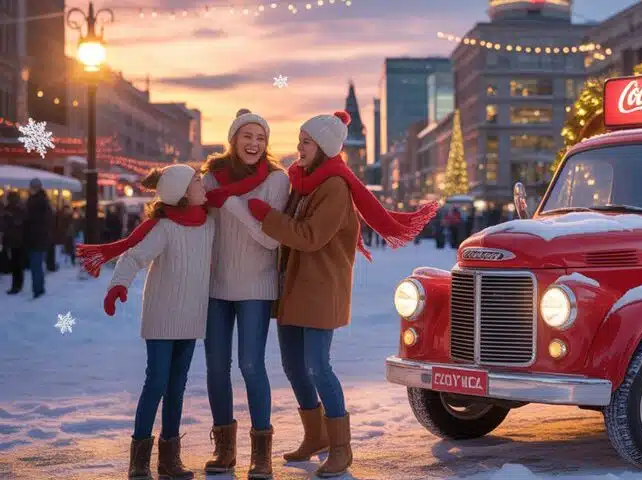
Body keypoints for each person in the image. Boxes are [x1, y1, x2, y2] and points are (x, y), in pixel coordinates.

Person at [241, 111, 438, 477]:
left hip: (320, 287)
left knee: (318, 367)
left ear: (324, 147)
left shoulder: (333, 186)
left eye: (306, 142)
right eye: (299, 140)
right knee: (293, 366)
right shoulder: (303, 182)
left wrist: (267, 216)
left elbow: (309, 236)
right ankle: (315, 436)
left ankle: (341, 448)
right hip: (292, 287)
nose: (299, 148)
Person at [77, 165, 213, 480]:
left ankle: (169, 459)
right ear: (182, 193)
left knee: (177, 387)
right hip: (163, 317)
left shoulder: (208, 225)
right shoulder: (164, 228)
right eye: (197, 181)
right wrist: (118, 285)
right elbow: (133, 256)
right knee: (156, 383)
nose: (203, 184)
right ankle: (138, 461)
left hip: (191, 318)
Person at [199, 109, 288, 479]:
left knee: (250, 365)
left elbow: (270, 239)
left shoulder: (277, 180)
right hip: (215, 287)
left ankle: (261, 454)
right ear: (233, 139)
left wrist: (232, 206)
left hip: (256, 285)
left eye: (261, 138)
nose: (254, 143)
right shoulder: (210, 177)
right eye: (247, 136)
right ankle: (224, 450)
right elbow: (201, 227)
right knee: (216, 368)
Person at [23, 179, 52, 298]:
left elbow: (45, 221)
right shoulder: (35, 200)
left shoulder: (40, 201)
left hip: (37, 238)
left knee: (36, 265)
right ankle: (38, 288)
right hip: (34, 238)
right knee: (35, 265)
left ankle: (38, 289)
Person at [2, 192, 25, 292]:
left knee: (16, 264)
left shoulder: (18, 209)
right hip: (13, 239)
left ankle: (17, 285)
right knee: (15, 264)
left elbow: (18, 222)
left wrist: (9, 218)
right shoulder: (10, 209)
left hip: (16, 240)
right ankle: (17, 285)